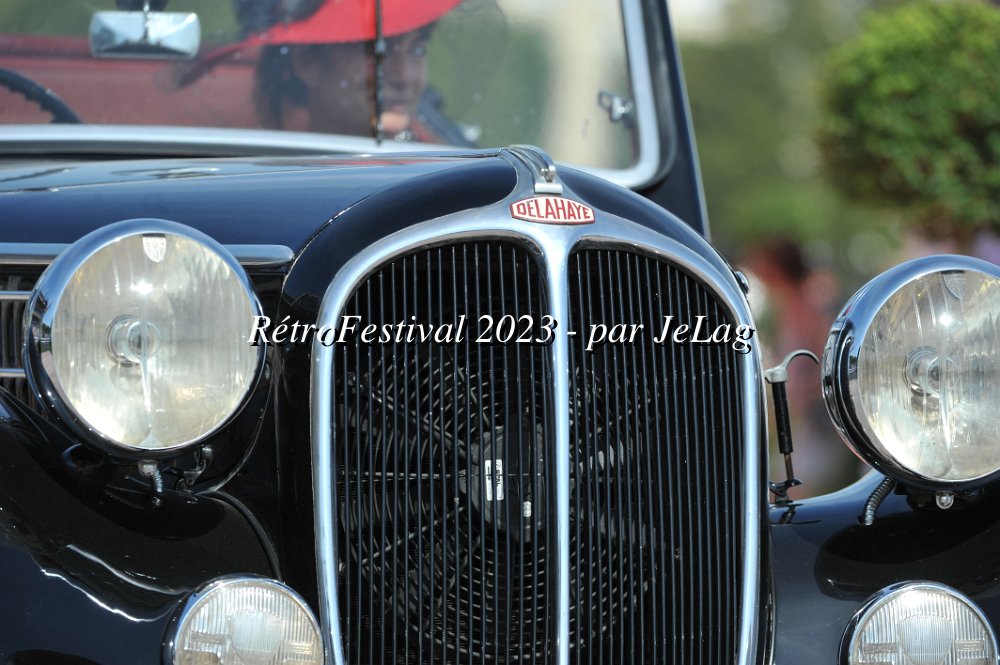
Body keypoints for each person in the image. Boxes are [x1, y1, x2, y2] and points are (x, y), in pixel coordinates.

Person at [220, 0, 464, 140]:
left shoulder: (448, 171)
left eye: (417, 49)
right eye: (377, 50)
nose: (405, 76)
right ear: (307, 62)